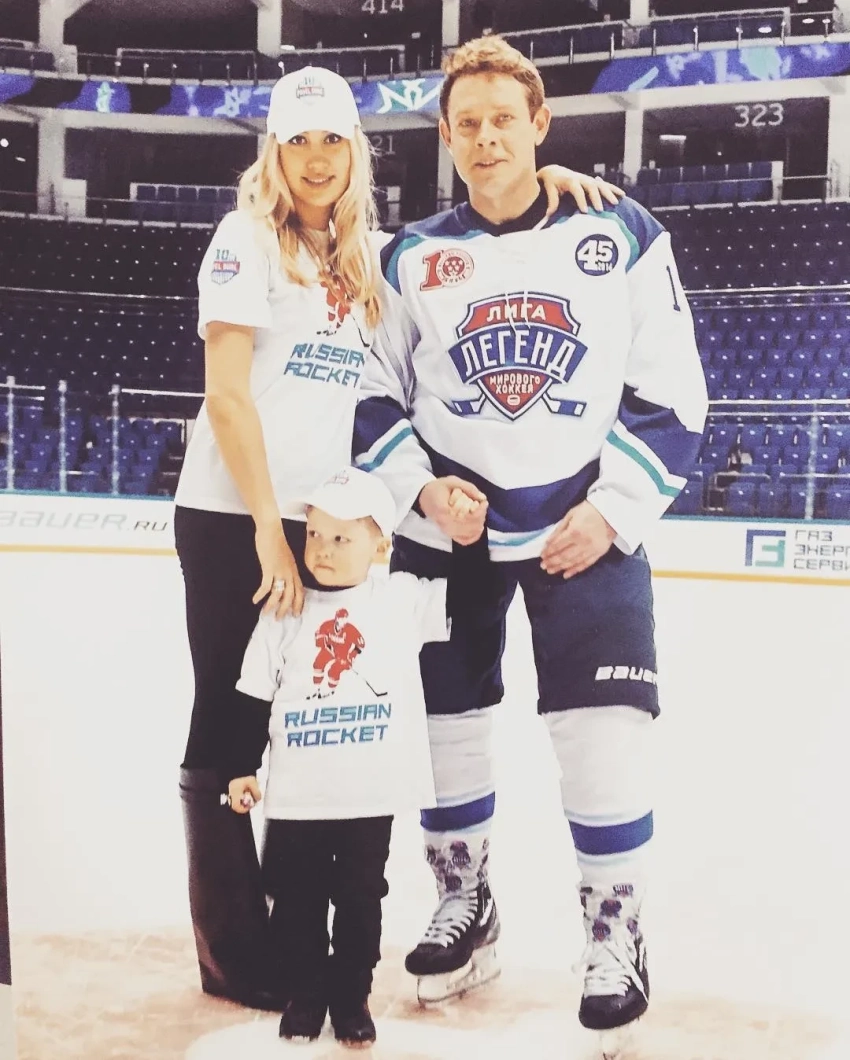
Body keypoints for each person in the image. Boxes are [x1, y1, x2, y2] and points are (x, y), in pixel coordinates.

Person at [172, 59, 625, 1009]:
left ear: (357, 150)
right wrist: (266, 531)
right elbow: (227, 398)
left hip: (331, 523)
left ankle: (297, 929)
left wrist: (553, 184)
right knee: (231, 713)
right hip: (236, 516)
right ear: (274, 151)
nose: (317, 158)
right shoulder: (244, 239)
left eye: (333, 140)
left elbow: (486, 236)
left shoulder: (373, 253)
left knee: (314, 714)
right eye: (298, 141)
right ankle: (233, 952)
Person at [352, 35, 709, 1042]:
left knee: (602, 734)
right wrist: (423, 487)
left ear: (539, 124)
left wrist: (613, 508)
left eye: (503, 119)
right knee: (445, 726)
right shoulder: (409, 255)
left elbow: (673, 384)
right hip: (449, 532)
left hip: (583, 523)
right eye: (466, 123)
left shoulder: (618, 230)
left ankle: (614, 933)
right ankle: (466, 906)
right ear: (445, 136)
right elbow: (371, 389)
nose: (485, 138)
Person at [225, 468, 487, 1046]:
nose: (322, 548)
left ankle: (351, 998)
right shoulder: (286, 607)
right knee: (297, 902)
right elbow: (253, 691)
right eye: (315, 534)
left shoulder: (400, 599)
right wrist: (241, 765)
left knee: (360, 900)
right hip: (299, 798)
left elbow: (471, 595)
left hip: (368, 796)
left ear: (381, 546)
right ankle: (304, 996)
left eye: (342, 538)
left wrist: (469, 533)